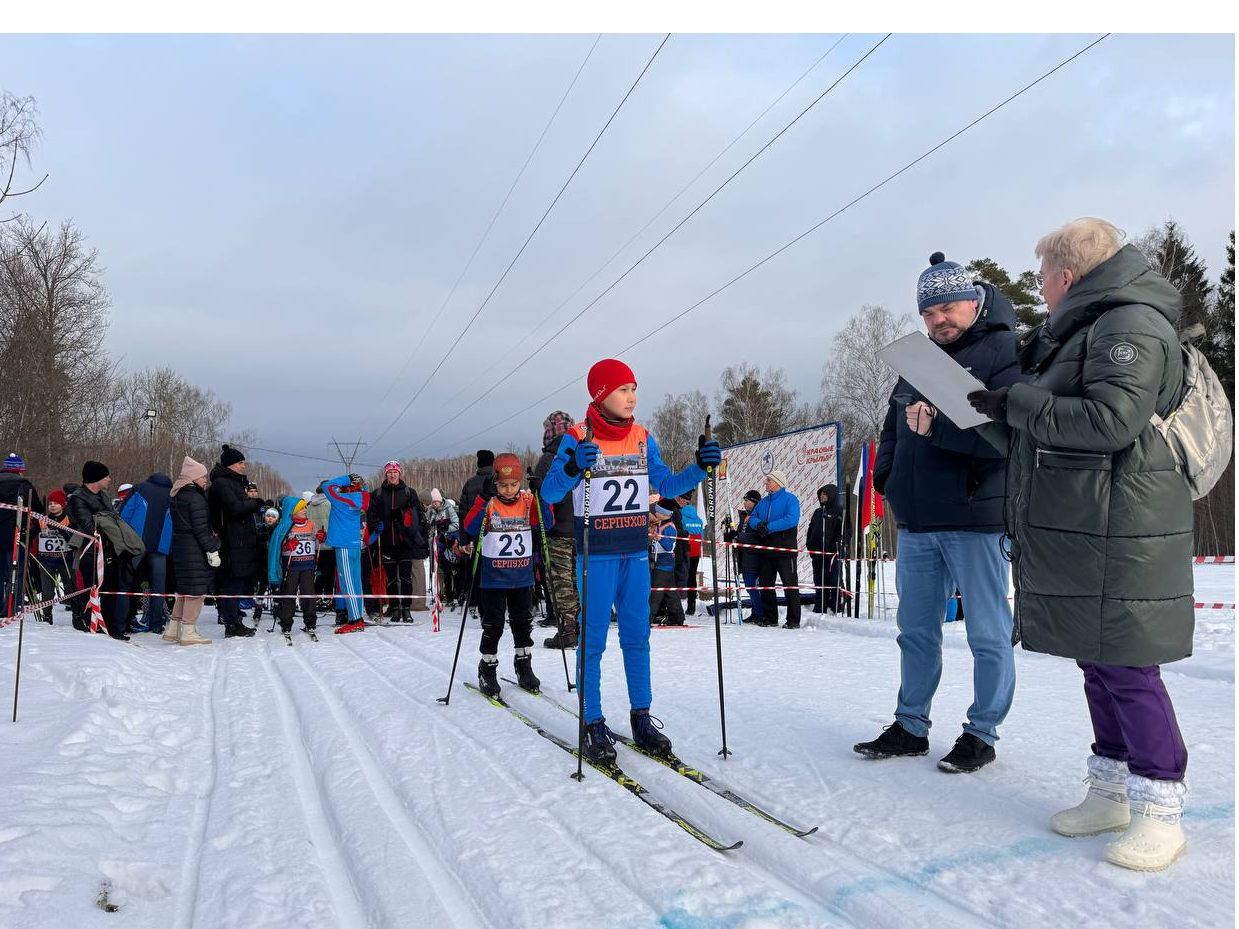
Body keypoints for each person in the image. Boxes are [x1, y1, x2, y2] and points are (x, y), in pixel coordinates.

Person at [968, 218, 1195, 870]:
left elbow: (1110, 420)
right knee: (1095, 657)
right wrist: (983, 414)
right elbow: (1046, 431)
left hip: (1120, 527)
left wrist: (1014, 402)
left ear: (1068, 275)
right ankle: (1111, 788)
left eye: (1041, 277)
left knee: (1126, 663)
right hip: (1086, 522)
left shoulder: (1128, 324)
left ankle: (1159, 806)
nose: (1038, 290)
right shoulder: (1078, 331)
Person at [854, 251, 1023, 774]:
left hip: (976, 517)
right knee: (916, 631)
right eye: (928, 314)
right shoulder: (918, 360)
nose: (938, 321)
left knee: (988, 634)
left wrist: (938, 430)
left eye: (947, 307)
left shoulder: (1005, 352)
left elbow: (1008, 437)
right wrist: (888, 478)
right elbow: (893, 427)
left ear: (974, 301)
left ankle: (982, 732)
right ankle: (910, 725)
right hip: (919, 520)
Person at [540, 358, 721, 764]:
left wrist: (700, 466)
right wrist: (571, 466)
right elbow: (550, 494)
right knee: (594, 641)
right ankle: (592, 722)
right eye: (623, 389)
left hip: (635, 553)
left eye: (634, 388)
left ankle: (641, 718)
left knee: (638, 638)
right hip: (597, 555)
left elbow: (667, 484)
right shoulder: (577, 436)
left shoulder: (642, 436)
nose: (632, 396)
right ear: (602, 394)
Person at [461, 453, 552, 697]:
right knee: (494, 626)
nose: (509, 490)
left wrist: (541, 496)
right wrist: (482, 497)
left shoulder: (527, 500)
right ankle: (487, 668)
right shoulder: (489, 503)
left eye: (514, 485)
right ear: (495, 483)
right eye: (503, 485)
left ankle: (523, 666)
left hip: (522, 577)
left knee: (523, 624)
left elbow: (548, 523)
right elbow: (469, 527)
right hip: (493, 579)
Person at [533, 411, 579, 649]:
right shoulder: (582, 453)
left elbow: (543, 497)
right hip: (580, 528)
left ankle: (567, 630)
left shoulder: (549, 459)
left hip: (557, 529)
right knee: (576, 580)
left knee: (560, 582)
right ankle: (580, 626)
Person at [206, 445, 261, 638]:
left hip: (240, 540)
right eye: (240, 463)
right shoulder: (222, 484)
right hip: (232, 541)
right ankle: (231, 622)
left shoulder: (235, 483)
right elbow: (235, 508)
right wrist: (256, 503)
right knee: (232, 583)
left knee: (236, 583)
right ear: (230, 465)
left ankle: (234, 618)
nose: (243, 466)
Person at [166, 456, 217, 646]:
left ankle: (173, 628)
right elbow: (201, 528)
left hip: (180, 546)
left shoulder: (177, 495)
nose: (205, 480)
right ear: (193, 478)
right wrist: (212, 549)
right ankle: (188, 631)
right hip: (193, 548)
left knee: (185, 590)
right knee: (196, 590)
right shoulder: (196, 498)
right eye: (203, 477)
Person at [368, 461, 427, 622]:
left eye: (395, 472)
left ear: (399, 474)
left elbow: (418, 513)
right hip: (386, 541)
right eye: (389, 472)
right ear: (385, 474)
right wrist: (376, 525)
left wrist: (401, 515)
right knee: (392, 576)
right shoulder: (377, 493)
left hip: (404, 541)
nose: (393, 475)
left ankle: (406, 608)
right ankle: (395, 607)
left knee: (406, 576)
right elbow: (371, 514)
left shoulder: (409, 492)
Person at [119, 472, 174, 633]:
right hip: (160, 547)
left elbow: (124, 515)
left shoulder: (139, 488)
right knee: (158, 587)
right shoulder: (172, 494)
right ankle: (156, 624)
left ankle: (123, 621)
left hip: (135, 544)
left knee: (125, 582)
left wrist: (124, 539)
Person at [748, 471, 802, 629]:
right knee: (766, 585)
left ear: (778, 482)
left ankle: (793, 620)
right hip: (766, 551)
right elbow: (753, 517)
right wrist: (758, 525)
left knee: (790, 585)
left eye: (769, 480)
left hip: (785, 550)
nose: (765, 482)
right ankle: (770, 617)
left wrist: (769, 527)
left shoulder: (791, 499)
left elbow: (792, 519)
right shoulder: (763, 502)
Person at [267, 496, 319, 637]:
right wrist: (286, 545)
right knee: (288, 595)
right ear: (293, 510)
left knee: (309, 595)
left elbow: (316, 541)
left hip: (308, 566)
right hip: (291, 567)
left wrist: (321, 537)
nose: (305, 509)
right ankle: (286, 623)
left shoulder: (311, 523)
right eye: (301, 508)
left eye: (304, 507)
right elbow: (276, 547)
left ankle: (310, 622)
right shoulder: (285, 526)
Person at [324, 472, 368, 632]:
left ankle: (354, 620)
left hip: (344, 544)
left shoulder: (340, 501)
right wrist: (361, 483)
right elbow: (365, 491)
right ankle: (358, 617)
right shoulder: (360, 499)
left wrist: (346, 478)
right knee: (356, 582)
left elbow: (326, 486)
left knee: (347, 583)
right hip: (355, 544)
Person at [0, 452, 41, 617]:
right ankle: (10, 607)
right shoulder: (24, 485)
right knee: (15, 572)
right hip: (15, 536)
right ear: (19, 470)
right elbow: (38, 509)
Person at [31, 489, 73, 624]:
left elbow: (73, 540)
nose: (53, 505)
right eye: (50, 503)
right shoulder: (43, 520)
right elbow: (31, 535)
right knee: (47, 592)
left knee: (71, 589)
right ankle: (47, 616)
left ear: (63, 504)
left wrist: (61, 530)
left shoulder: (68, 519)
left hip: (65, 560)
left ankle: (77, 615)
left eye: (56, 503)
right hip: (46, 561)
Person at [724, 490, 765, 624]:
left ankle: (760, 613)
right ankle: (755, 612)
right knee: (749, 586)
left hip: (754, 557)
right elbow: (741, 533)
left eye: (747, 501)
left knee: (751, 586)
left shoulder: (758, 516)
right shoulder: (745, 516)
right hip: (744, 556)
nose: (744, 503)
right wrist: (732, 535)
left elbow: (758, 537)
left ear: (754, 503)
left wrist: (738, 536)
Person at [806, 484, 844, 614]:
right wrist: (810, 545)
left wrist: (835, 546)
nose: (822, 496)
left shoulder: (839, 511)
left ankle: (836, 606)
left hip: (832, 555)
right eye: (820, 494)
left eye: (824, 494)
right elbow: (811, 530)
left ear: (831, 495)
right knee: (819, 581)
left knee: (833, 581)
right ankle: (820, 605)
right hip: (817, 554)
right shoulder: (818, 512)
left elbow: (845, 531)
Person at [648, 499, 685, 627]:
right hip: (661, 563)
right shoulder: (660, 524)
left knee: (655, 593)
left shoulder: (669, 527)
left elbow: (669, 546)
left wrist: (659, 539)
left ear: (664, 513)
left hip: (664, 562)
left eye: (657, 511)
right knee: (670, 592)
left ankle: (647, 619)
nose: (656, 513)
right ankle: (677, 617)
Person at [305, 483, 334, 611]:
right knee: (329, 574)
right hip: (329, 543)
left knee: (319, 572)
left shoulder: (310, 505)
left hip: (314, 544)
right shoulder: (329, 504)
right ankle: (328, 599)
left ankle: (316, 598)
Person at [674, 491, 704, 615]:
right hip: (696, 550)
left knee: (678, 576)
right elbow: (700, 534)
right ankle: (692, 605)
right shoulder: (698, 518)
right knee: (692, 577)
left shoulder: (679, 515)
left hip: (684, 550)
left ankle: (676, 605)